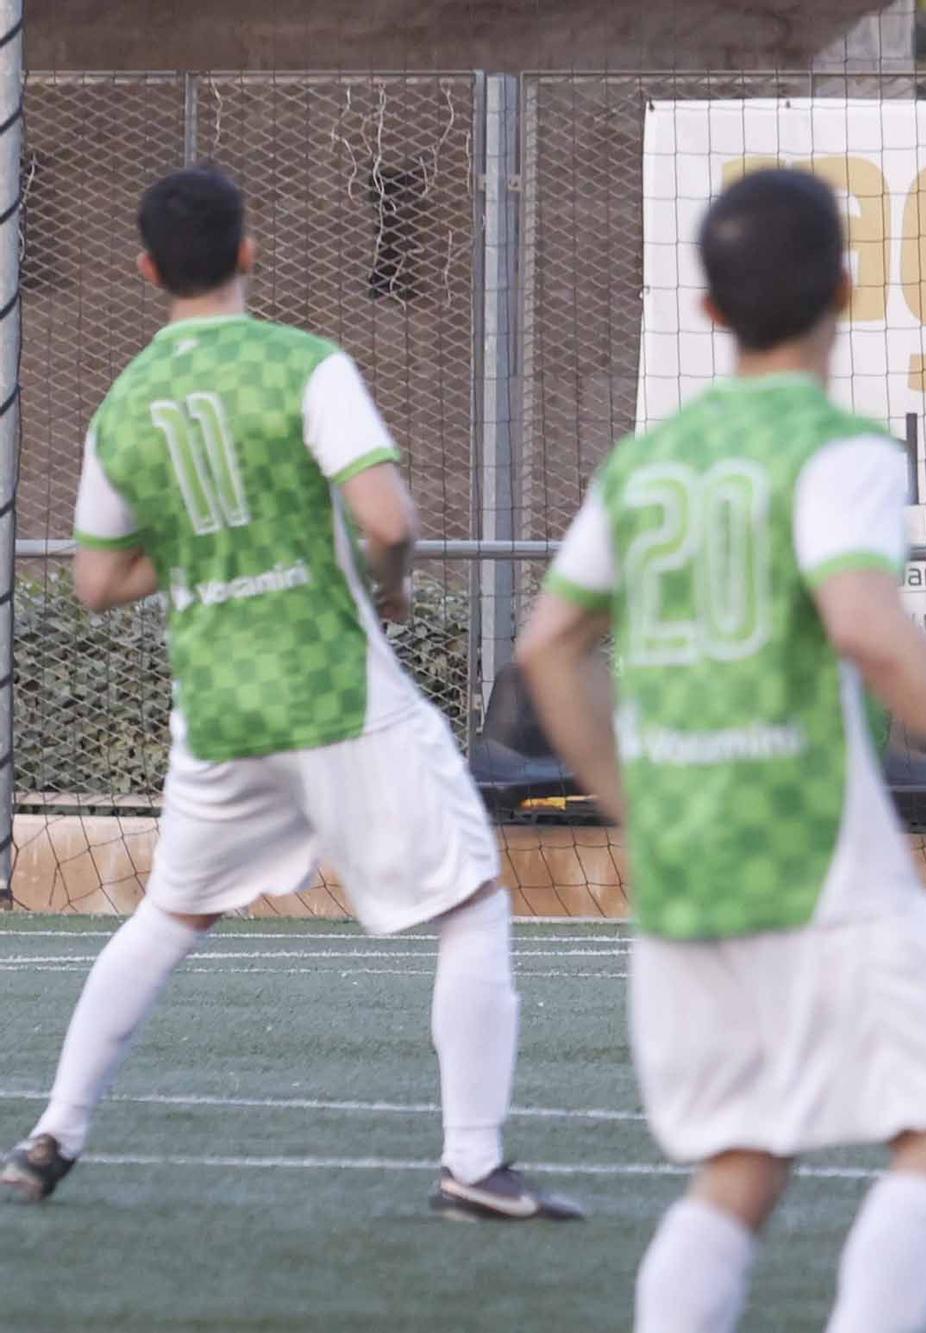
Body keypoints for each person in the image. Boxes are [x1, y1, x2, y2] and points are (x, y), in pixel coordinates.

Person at [516, 167, 926, 1332]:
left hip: (687, 866)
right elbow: (864, 628)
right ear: (846, 287)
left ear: (707, 311)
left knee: (740, 1166)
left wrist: (634, 806)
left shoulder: (646, 462)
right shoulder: (835, 448)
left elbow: (550, 646)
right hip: (815, 861)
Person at [0, 166, 581, 1220]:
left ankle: (51, 1135)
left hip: (219, 708)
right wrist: (391, 589)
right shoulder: (305, 363)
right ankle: (473, 1162)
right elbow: (390, 520)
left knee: (168, 916)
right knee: (473, 904)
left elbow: (95, 581)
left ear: (144, 270)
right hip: (335, 690)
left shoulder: (123, 402)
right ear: (250, 250)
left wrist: (204, 555)